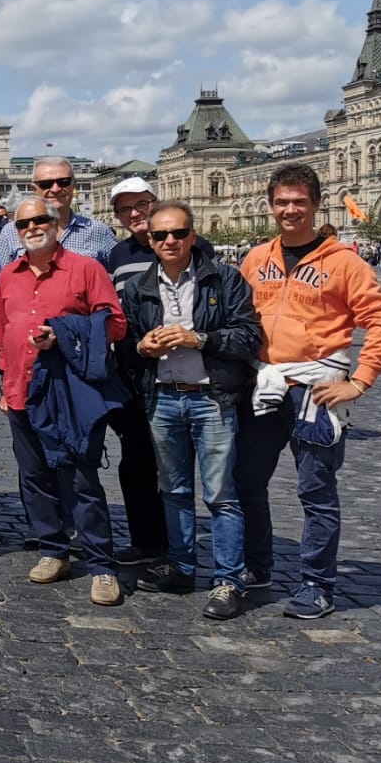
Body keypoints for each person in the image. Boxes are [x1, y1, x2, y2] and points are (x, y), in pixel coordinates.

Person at [236, 164, 381, 619]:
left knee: (316, 490)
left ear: (315, 204)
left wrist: (359, 382)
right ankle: (258, 567)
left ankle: (317, 583)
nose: (290, 210)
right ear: (271, 206)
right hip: (264, 386)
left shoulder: (345, 262)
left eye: (299, 202)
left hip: (315, 389)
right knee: (247, 482)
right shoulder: (256, 259)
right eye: (282, 202)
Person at [121, 202, 263, 621]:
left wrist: (198, 338)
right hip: (163, 397)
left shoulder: (224, 278)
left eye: (179, 233)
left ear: (192, 236)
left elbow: (249, 336)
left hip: (211, 398)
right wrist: (141, 347)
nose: (170, 241)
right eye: (161, 235)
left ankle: (229, 580)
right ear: (150, 240)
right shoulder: (139, 287)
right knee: (174, 490)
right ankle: (181, 567)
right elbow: (126, 343)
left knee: (221, 494)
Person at [0, 196, 128, 607]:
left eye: (40, 220)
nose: (32, 228)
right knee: (34, 477)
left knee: (80, 480)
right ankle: (53, 549)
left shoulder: (85, 268)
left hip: (68, 392)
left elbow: (115, 323)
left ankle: (101, 564)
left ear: (56, 224)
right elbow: (3, 329)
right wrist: (5, 384)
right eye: (23, 224)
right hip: (21, 390)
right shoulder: (8, 275)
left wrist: (63, 333)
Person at [102, 175, 215, 567]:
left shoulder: (192, 243)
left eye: (141, 204)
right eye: (125, 209)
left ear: (155, 202)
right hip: (135, 374)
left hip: (189, 374)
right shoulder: (117, 254)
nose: (134, 213)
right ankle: (146, 540)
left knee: (183, 467)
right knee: (136, 460)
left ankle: (179, 545)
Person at [0, 158, 116, 265]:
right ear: (34, 189)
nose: (55, 189)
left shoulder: (99, 231)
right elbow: (0, 279)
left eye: (64, 182)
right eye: (46, 184)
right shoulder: (11, 232)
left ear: (74, 185)